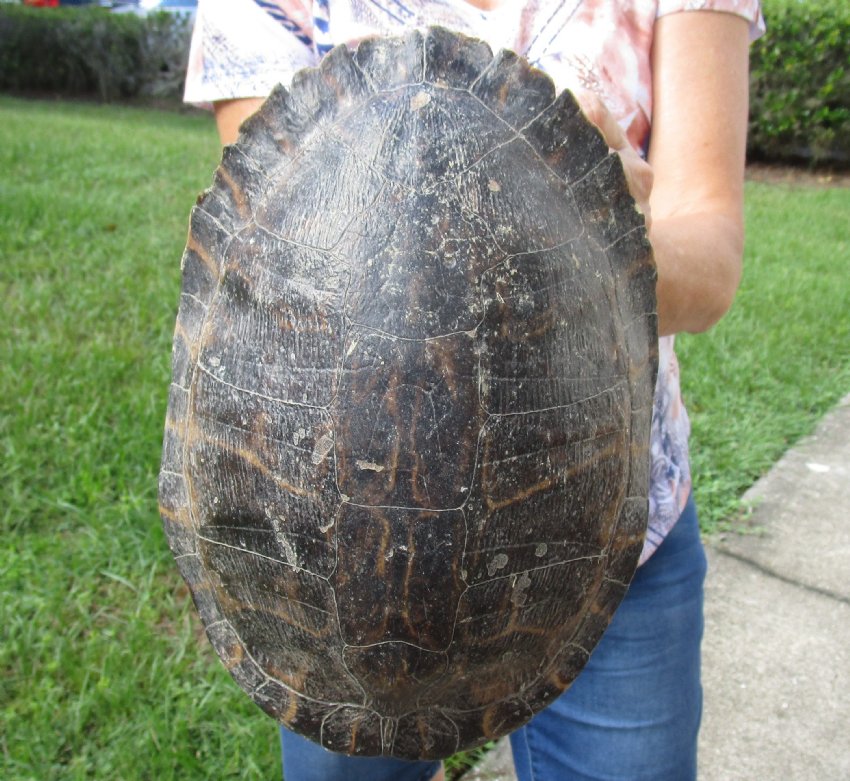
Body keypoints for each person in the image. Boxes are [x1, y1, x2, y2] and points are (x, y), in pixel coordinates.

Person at [183, 1, 764, 779]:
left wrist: (601, 221)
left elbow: (711, 259)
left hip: (589, 532)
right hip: (321, 565)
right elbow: (280, 270)